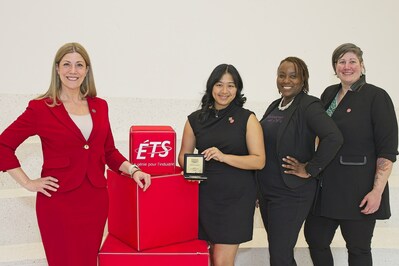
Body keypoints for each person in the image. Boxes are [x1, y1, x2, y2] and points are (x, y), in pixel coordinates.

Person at [0, 42, 151, 266]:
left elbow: (108, 151)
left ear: (87, 70)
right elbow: (4, 145)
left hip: (94, 201)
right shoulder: (40, 108)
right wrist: (28, 182)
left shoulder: (100, 106)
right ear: (57, 68)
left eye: (79, 65)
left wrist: (133, 170)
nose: (73, 71)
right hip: (58, 203)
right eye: (67, 65)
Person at [304, 43, 398, 266]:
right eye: (341, 62)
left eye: (352, 61)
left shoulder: (377, 96)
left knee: (358, 248)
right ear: (335, 67)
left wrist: (377, 191)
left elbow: (387, 150)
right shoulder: (328, 94)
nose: (347, 67)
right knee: (315, 239)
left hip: (359, 189)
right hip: (325, 187)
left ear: (362, 65)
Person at [256, 56, 343, 266]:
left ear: (303, 79)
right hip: (268, 191)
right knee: (279, 252)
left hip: (291, 193)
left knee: (280, 254)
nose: (286, 80)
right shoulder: (275, 106)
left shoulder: (308, 105)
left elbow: (334, 137)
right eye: (282, 75)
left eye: (293, 76)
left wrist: (311, 168)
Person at [178, 64, 265, 266]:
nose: (224, 91)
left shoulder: (247, 118)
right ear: (211, 87)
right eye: (219, 85)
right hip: (203, 197)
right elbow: (183, 155)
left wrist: (223, 156)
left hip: (236, 200)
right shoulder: (195, 119)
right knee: (207, 257)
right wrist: (191, 167)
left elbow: (259, 160)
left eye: (230, 86)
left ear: (237, 89)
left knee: (221, 261)